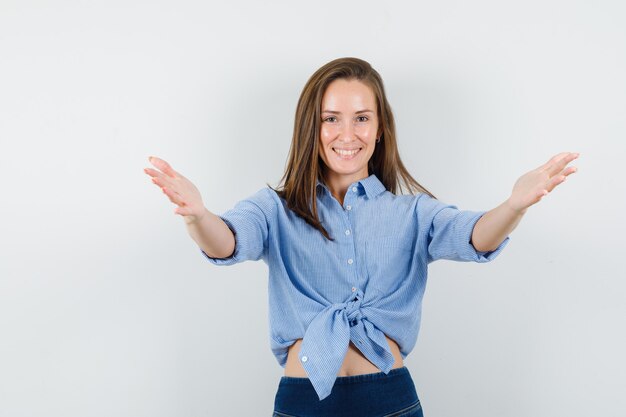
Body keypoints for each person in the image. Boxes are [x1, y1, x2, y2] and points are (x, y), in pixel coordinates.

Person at [144, 57, 579, 417]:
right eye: (331, 119)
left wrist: (513, 207)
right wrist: (198, 216)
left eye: (361, 119)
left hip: (389, 401)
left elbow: (473, 236)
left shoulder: (412, 213)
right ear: (310, 128)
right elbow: (228, 242)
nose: (347, 134)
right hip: (303, 403)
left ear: (380, 128)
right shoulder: (274, 209)